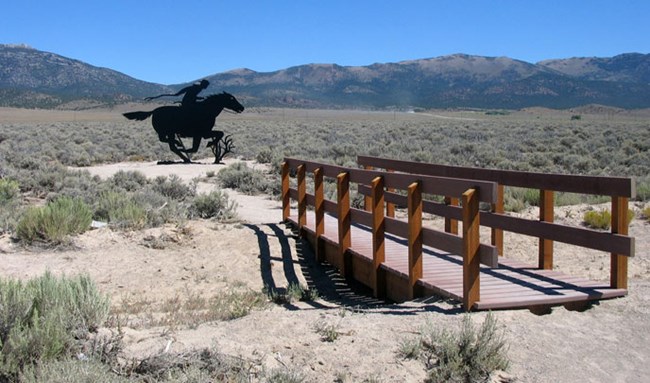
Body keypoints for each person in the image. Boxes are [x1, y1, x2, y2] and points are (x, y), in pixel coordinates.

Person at [145, 79, 210, 107]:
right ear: (203, 85)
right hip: (188, 102)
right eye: (206, 85)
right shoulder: (196, 88)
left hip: (189, 101)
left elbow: (178, 94)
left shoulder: (196, 87)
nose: (206, 87)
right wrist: (200, 98)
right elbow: (191, 96)